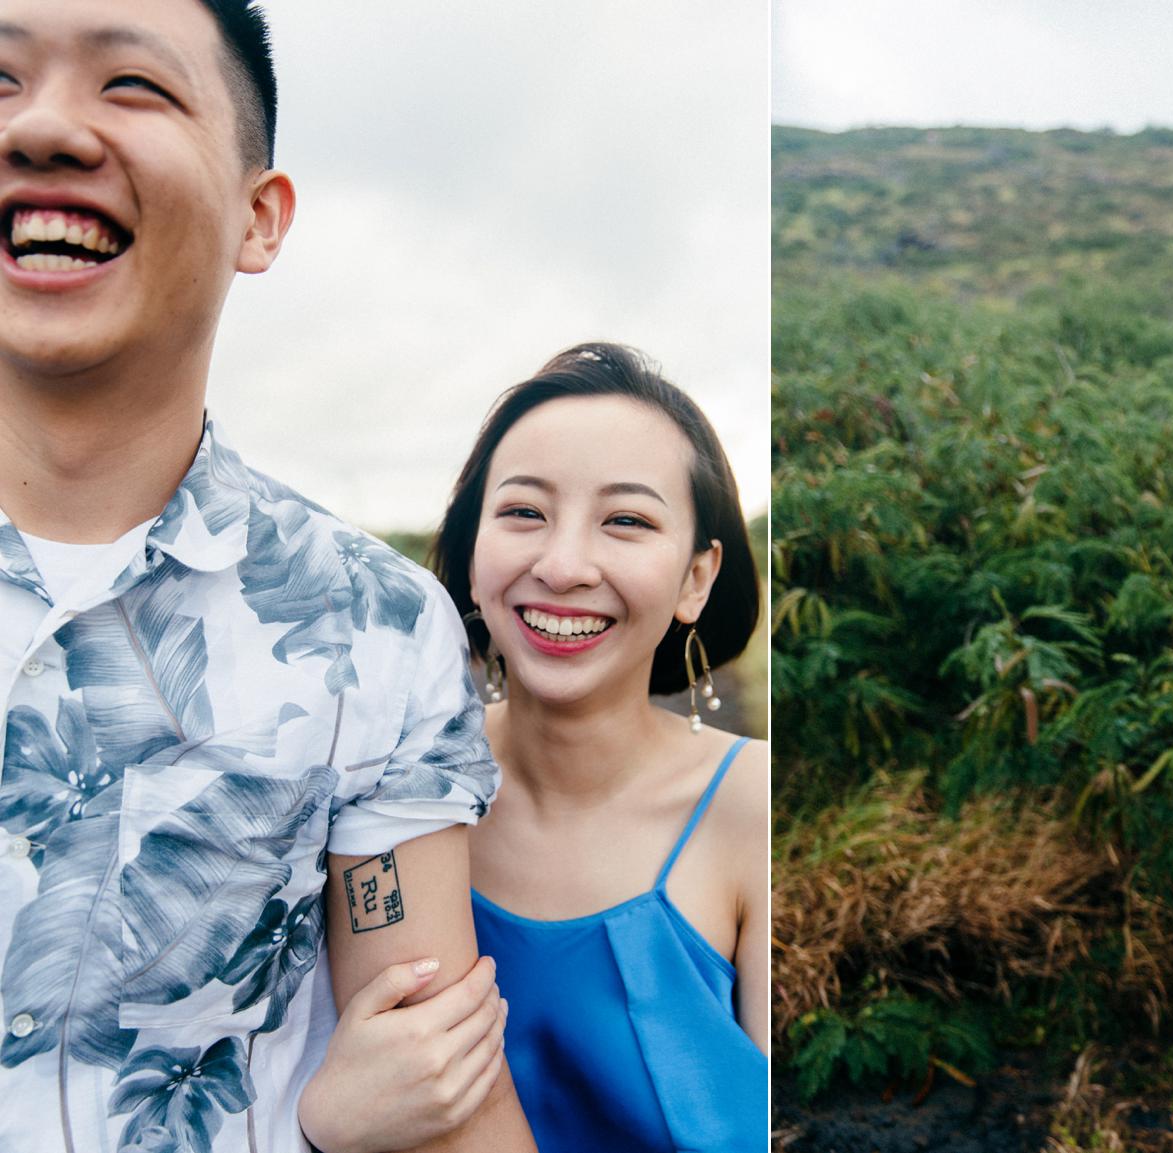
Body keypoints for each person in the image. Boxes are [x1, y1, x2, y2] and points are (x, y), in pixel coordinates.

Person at [0, 2, 534, 1151]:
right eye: (1, 81)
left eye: (130, 85)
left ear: (260, 214)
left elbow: (437, 1085)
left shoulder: (374, 630)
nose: (43, 126)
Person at [299, 343, 769, 1152]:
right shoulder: (385, 793)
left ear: (697, 577)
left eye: (626, 520)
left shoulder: (755, 811)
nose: (563, 565)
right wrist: (320, 1124)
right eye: (523, 513)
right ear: (473, 554)